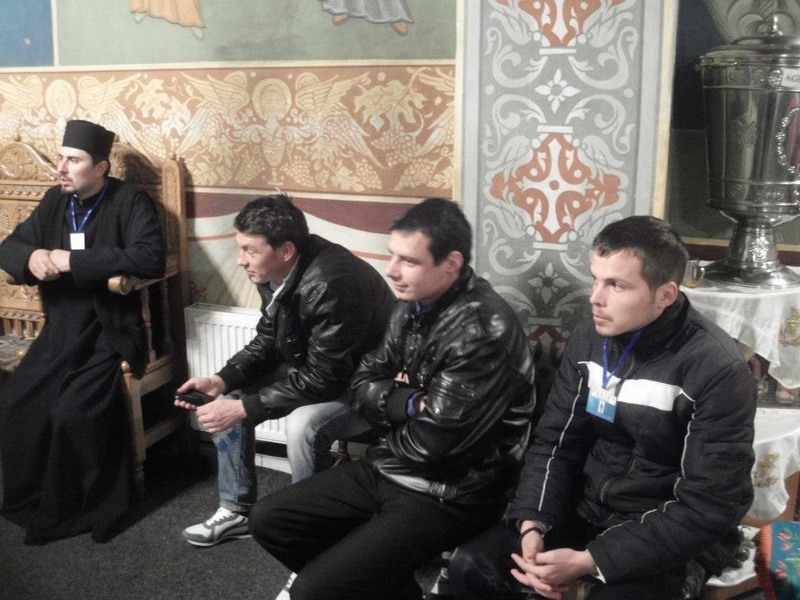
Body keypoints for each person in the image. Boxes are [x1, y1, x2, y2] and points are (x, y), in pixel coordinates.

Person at [447, 216, 756, 600]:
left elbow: (706, 506)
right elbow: (556, 443)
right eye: (596, 279)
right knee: (473, 566)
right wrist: (533, 524)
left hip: (667, 534)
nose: (595, 297)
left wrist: (592, 561)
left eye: (616, 285)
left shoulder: (717, 368)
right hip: (586, 509)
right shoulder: (590, 339)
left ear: (665, 295)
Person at [248, 197, 537, 600]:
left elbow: (432, 446)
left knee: (311, 592)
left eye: (409, 261)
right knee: (268, 519)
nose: (392, 270)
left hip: (453, 491)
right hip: (393, 465)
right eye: (392, 256)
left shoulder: (480, 334)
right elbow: (362, 382)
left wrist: (389, 407)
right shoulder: (413, 306)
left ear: (451, 264)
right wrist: (412, 403)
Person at [176, 193, 395, 547]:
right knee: (228, 397)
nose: (240, 260)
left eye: (249, 250)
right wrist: (221, 380)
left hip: (369, 382)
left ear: (286, 250)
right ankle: (236, 511)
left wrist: (245, 408)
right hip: (323, 368)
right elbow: (269, 339)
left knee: (303, 426)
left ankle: (311, 534)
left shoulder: (331, 283)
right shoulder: (273, 271)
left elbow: (325, 380)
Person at [0, 119, 165, 544]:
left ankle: (81, 507)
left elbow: (150, 258)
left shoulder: (129, 202)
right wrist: (33, 256)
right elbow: (9, 247)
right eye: (61, 158)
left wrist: (72, 261)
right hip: (62, 330)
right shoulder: (56, 201)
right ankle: (35, 499)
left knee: (73, 412)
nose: (61, 168)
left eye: (73, 160)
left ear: (101, 167)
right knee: (16, 401)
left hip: (109, 330)